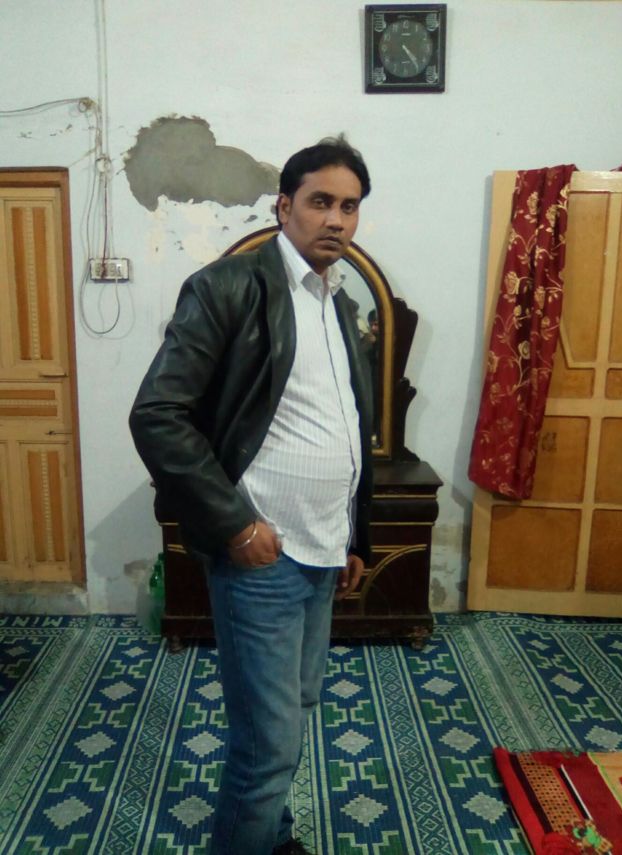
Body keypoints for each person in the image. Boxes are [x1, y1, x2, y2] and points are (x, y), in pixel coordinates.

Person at [129, 136, 373, 855]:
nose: (336, 219)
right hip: (263, 555)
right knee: (268, 744)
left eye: (350, 206)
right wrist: (236, 525)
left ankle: (274, 837)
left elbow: (346, 424)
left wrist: (353, 536)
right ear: (284, 206)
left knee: (293, 712)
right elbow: (158, 414)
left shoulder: (335, 298)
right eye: (320, 202)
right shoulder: (228, 288)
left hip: (323, 550)